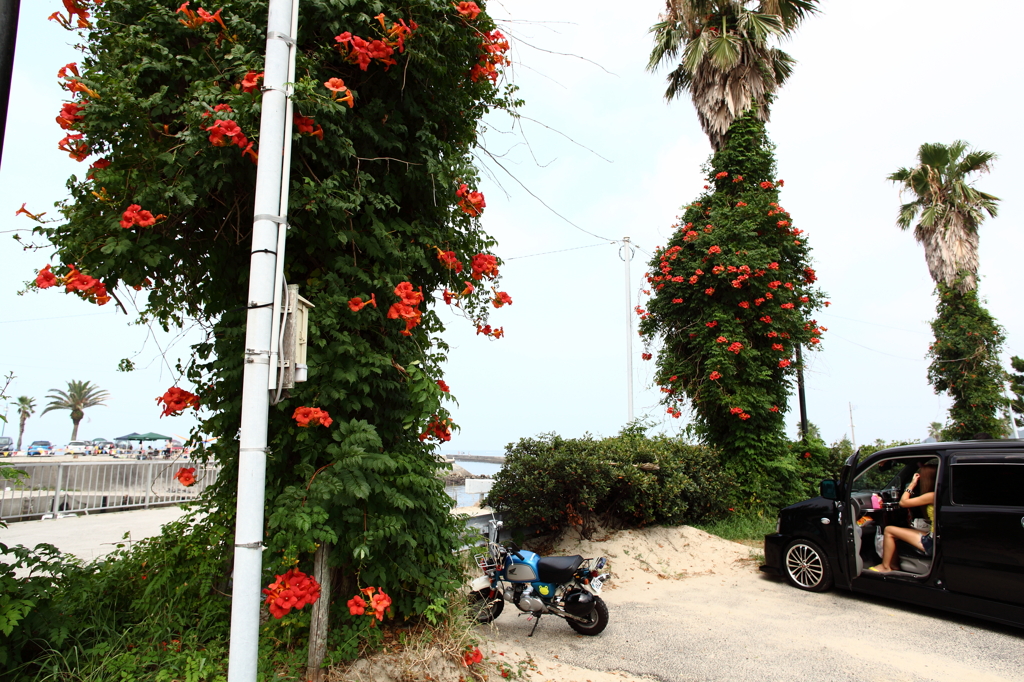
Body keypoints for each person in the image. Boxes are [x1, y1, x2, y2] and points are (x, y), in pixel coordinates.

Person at [871, 462, 937, 573]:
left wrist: (912, 484)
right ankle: (894, 564)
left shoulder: (932, 495)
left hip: (931, 542)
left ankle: (885, 567)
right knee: (902, 532)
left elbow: (903, 502)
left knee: (889, 530)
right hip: (935, 536)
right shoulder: (939, 494)